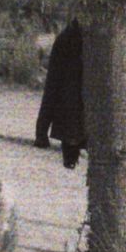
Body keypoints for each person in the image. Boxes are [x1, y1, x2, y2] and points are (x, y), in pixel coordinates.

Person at [35, 18, 87, 169]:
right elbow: (52, 85)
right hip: (74, 118)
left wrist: (41, 132)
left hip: (75, 120)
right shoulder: (68, 38)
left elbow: (51, 87)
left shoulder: (67, 37)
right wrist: (41, 132)